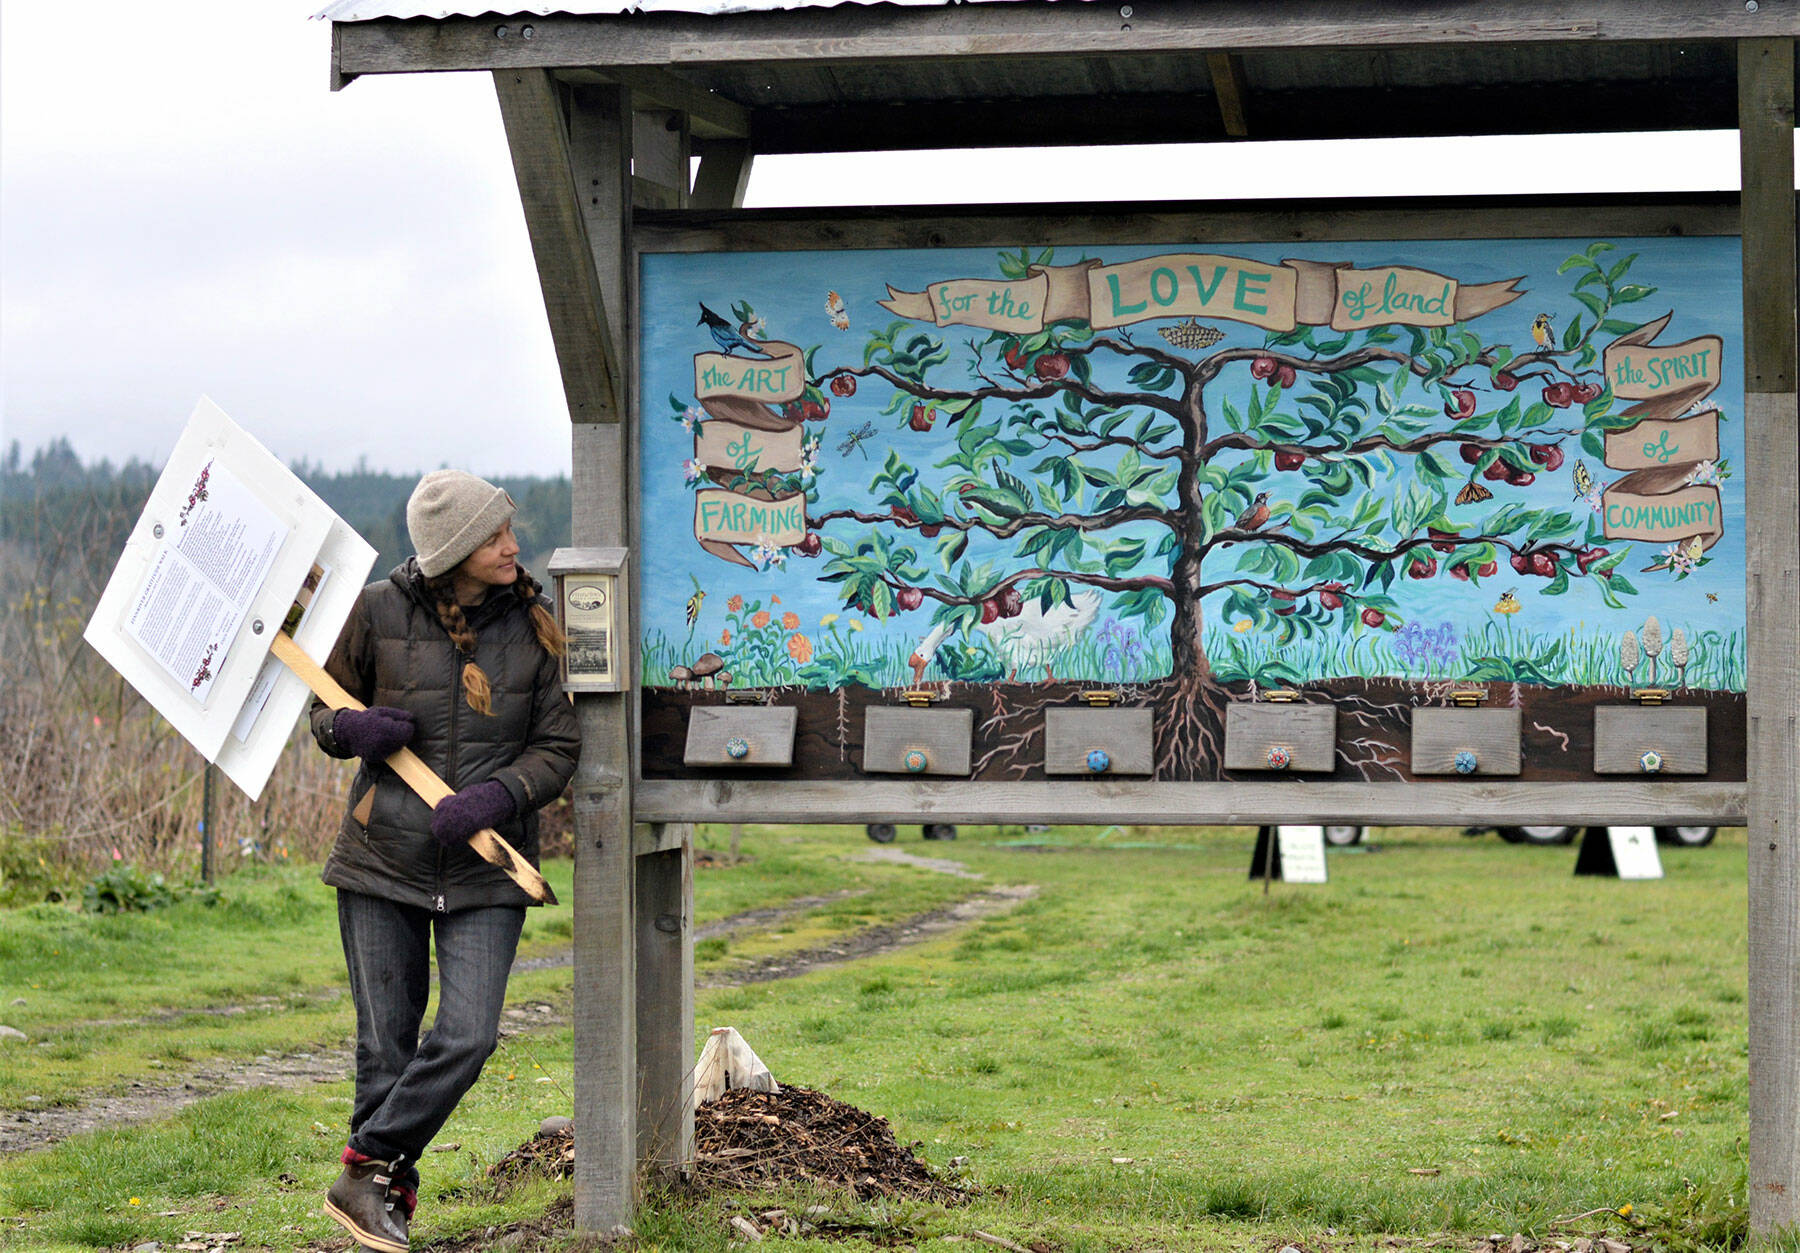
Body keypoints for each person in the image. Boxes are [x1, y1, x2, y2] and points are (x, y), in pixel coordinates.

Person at [308, 470, 580, 1253]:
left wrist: (497, 798)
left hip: (488, 868)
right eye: (495, 535)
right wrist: (350, 731)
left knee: (467, 1034)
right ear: (455, 550)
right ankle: (381, 1205)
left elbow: (560, 745)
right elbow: (322, 710)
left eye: (508, 530)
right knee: (385, 1046)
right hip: (379, 859)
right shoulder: (375, 611)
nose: (513, 545)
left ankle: (365, 1165)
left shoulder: (538, 626)